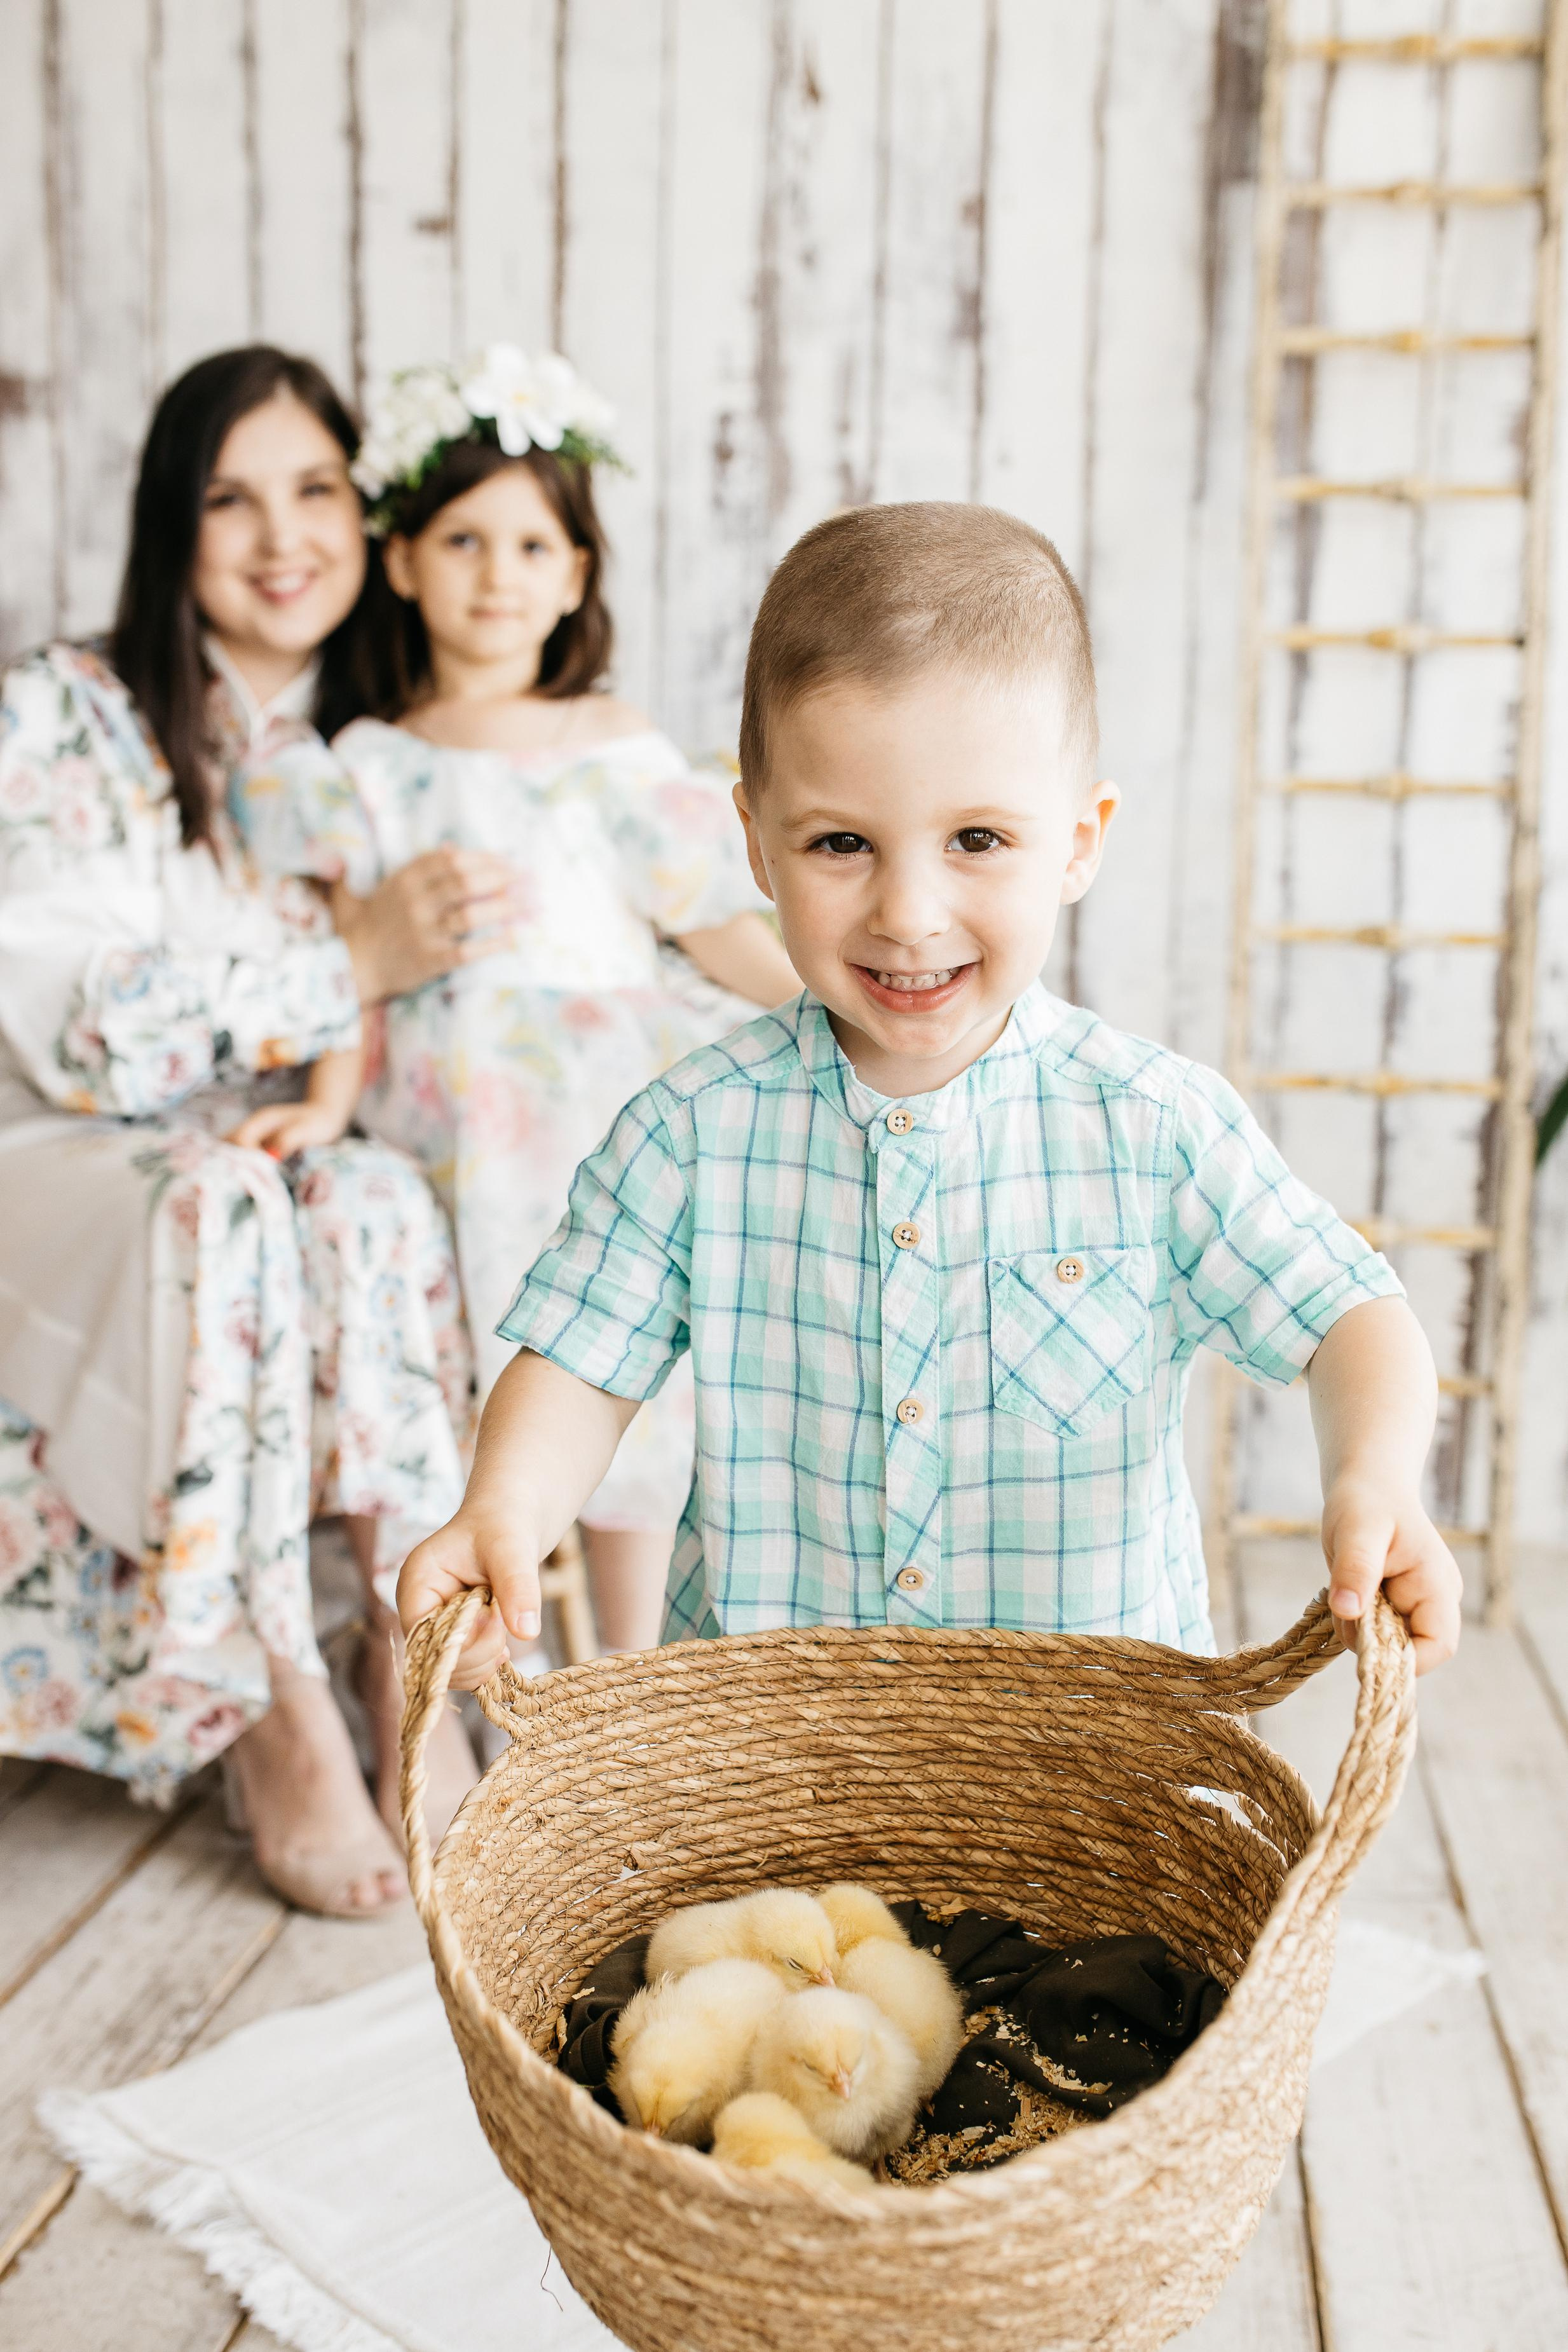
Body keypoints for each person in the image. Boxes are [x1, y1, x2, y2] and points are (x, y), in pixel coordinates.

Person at [398, 500, 1464, 1688]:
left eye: (978, 840)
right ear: (754, 843)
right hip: (772, 1755)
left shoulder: (1152, 1127)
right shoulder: (692, 1133)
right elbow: (581, 1362)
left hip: (1088, 1768)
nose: (908, 912)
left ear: (1078, 840)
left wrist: (1371, 1482)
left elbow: (1347, 1318)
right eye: (841, 845)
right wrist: (505, 1506)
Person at [0, 345, 508, 1914]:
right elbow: (74, 1025)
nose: (281, 535)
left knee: (364, 1200)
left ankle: (402, 1673)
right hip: (69, 1162)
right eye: (232, 497)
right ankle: (275, 1701)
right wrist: (344, 964)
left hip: (270, 1154)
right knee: (225, 1196)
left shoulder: (376, 740)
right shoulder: (68, 712)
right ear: (173, 521)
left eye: (316, 491)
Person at [234, 346, 796, 1655]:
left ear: (578, 574)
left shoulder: (606, 745)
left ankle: (646, 1691)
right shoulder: (368, 765)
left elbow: (717, 926)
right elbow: (348, 953)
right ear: (401, 560)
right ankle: (499, 1704)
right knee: (474, 1395)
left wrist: (853, 1008)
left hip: (589, 1127)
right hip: (443, 1138)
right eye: (465, 541)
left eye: (534, 547)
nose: (499, 576)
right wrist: (321, 1101)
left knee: (629, 1401)